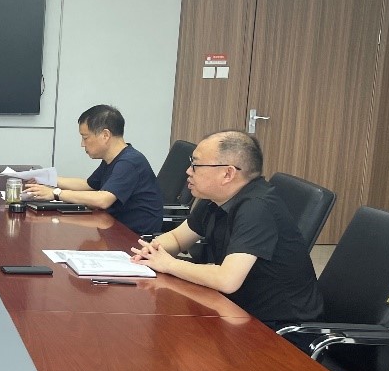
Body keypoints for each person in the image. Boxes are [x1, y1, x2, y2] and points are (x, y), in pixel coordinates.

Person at [130, 130, 323, 339]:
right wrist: (152, 250)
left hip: (280, 331)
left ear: (228, 174)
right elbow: (177, 239)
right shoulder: (215, 198)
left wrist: (169, 264)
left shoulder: (257, 208)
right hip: (237, 311)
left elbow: (227, 280)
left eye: (196, 165)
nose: (188, 171)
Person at [24, 104, 163, 238]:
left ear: (105, 135)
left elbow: (102, 200)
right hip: (115, 229)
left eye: (85, 137)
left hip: (134, 238)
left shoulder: (129, 162)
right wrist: (45, 179)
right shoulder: (114, 159)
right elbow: (89, 185)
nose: (82, 144)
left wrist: (55, 193)